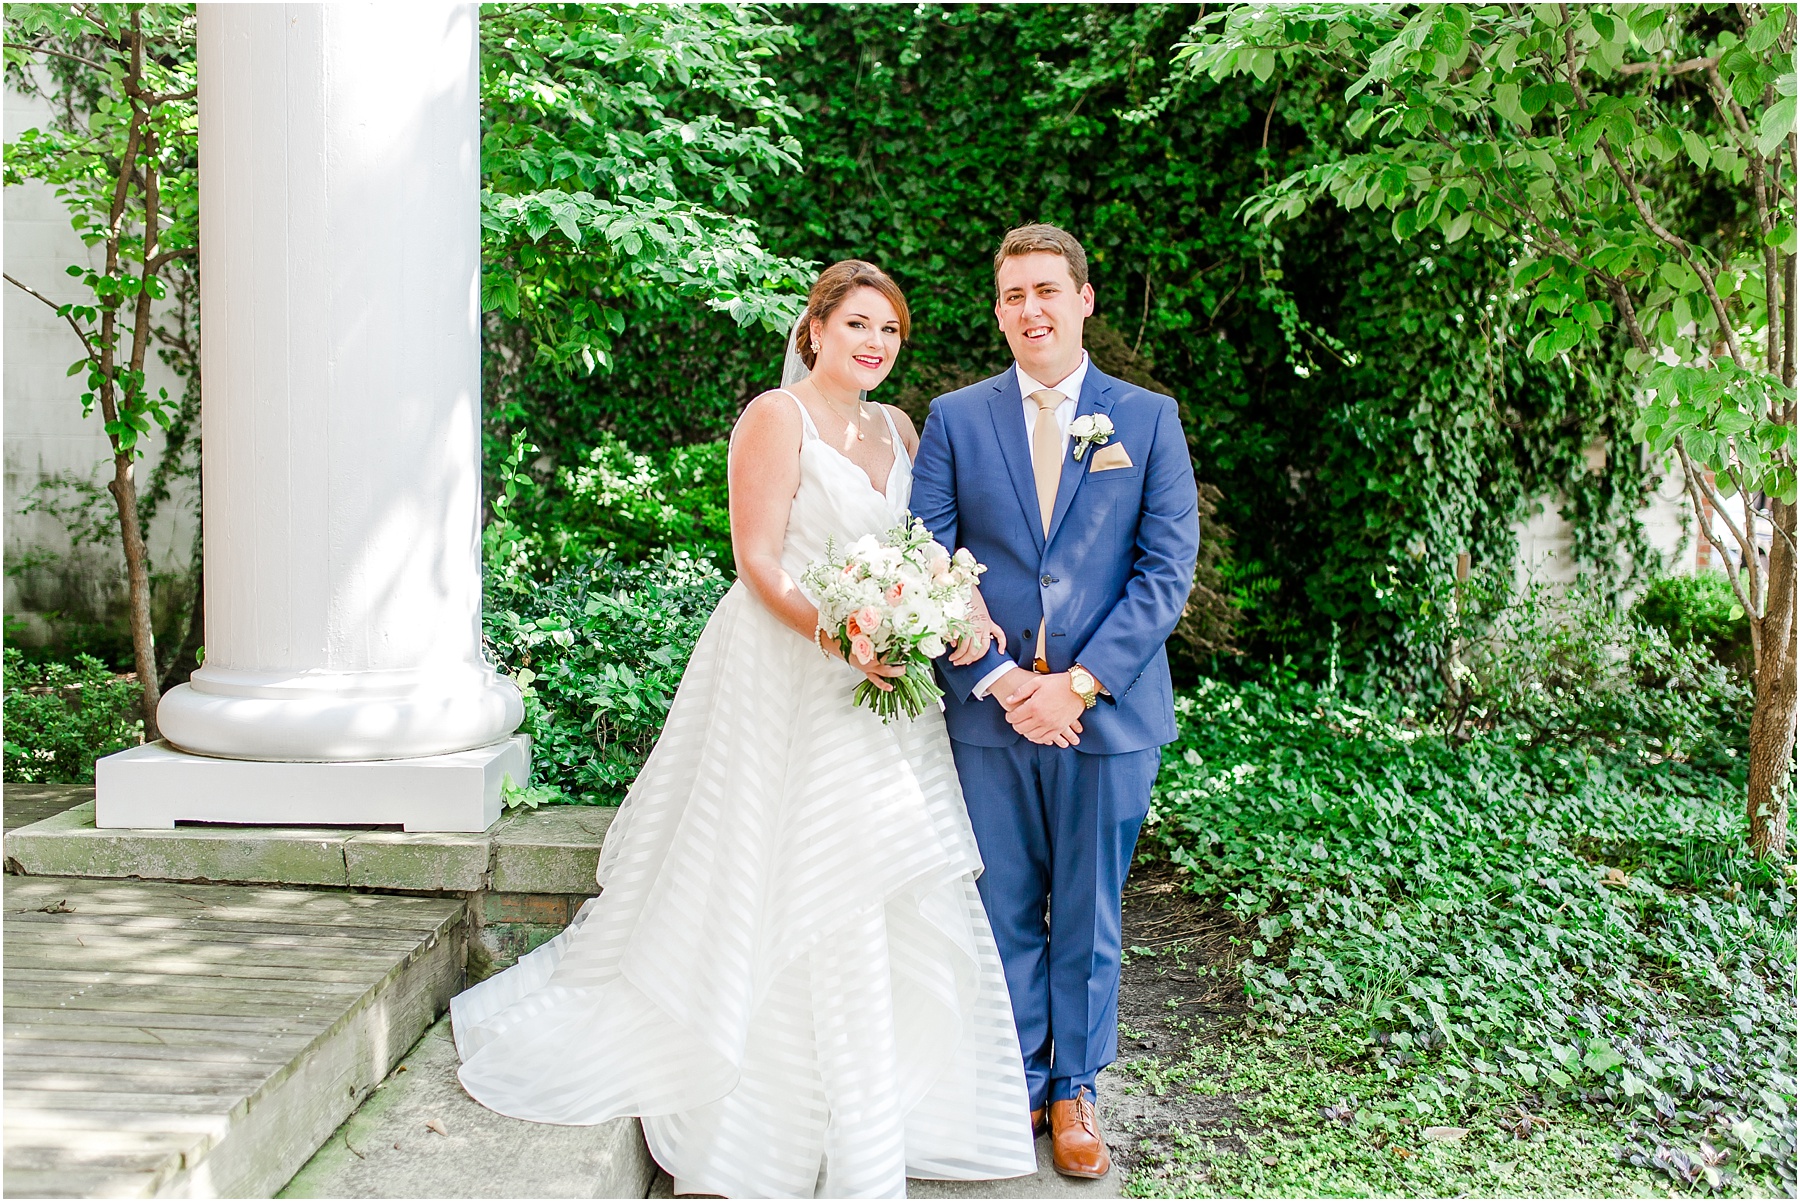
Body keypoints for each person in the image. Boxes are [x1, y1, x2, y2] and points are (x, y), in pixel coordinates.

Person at [452, 260, 1038, 1199]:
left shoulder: (899, 427)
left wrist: (951, 607)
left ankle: (877, 1108)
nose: (876, 345)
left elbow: (915, 547)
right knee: (792, 865)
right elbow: (758, 561)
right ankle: (763, 1112)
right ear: (814, 330)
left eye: (890, 331)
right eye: (858, 325)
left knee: (882, 868)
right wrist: (842, 635)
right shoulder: (777, 416)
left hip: (885, 681)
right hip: (791, 664)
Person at [911, 224, 1200, 1179]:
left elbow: (1165, 573)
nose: (1029, 310)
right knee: (998, 903)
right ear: (997, 311)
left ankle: (1075, 1088)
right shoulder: (955, 419)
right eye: (1011, 296)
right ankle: (1019, 1079)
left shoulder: (1147, 419)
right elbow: (931, 562)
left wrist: (1073, 684)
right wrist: (999, 683)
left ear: (1083, 298)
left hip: (1105, 715)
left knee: (1088, 908)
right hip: (990, 714)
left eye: (1046, 290)